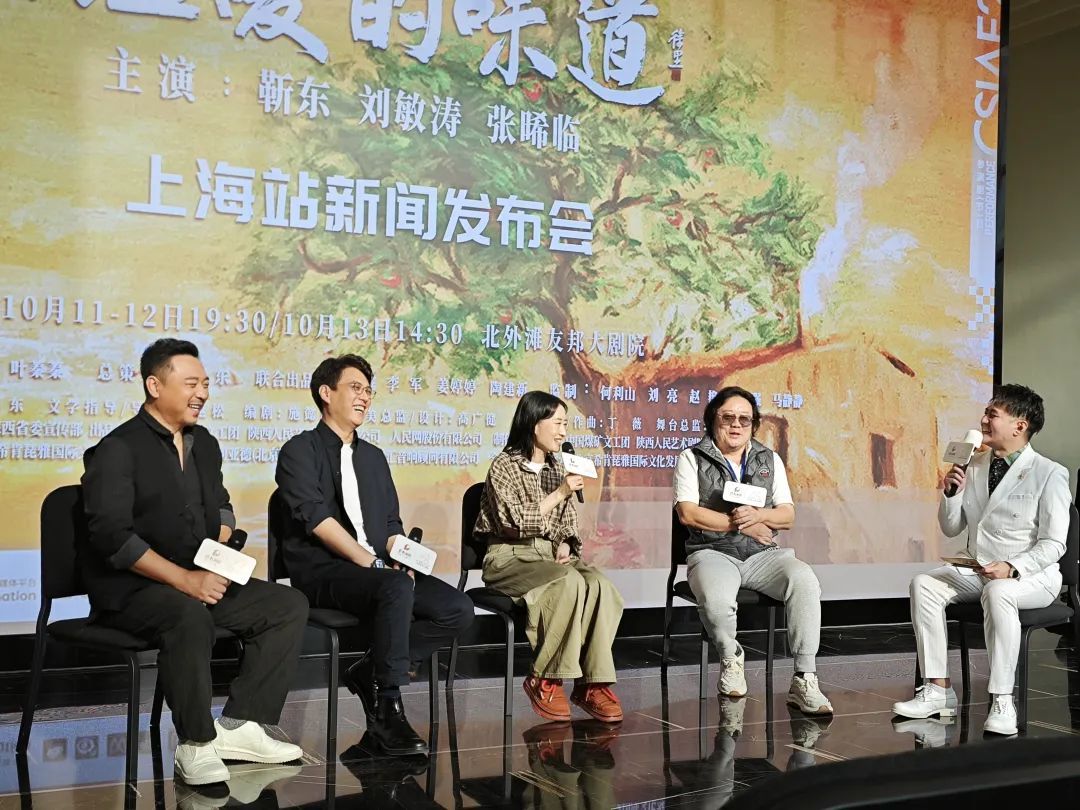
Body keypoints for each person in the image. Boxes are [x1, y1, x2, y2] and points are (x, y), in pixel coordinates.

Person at [81, 339, 309, 787]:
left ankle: (241, 726)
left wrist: (220, 543)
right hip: (132, 591)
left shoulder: (204, 443)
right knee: (187, 615)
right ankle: (196, 744)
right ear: (154, 385)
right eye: (191, 383)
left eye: (205, 383)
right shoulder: (117, 448)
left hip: (196, 577)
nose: (202, 393)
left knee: (286, 605)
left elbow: (221, 506)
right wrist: (186, 580)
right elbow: (112, 538)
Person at [274, 354, 473, 756]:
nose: (364, 397)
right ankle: (387, 707)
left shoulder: (373, 457)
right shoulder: (299, 451)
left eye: (368, 390)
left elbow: (390, 526)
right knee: (394, 587)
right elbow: (318, 522)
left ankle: (369, 670)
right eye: (355, 388)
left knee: (457, 608)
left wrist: (404, 559)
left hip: (381, 574)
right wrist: (376, 565)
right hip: (325, 572)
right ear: (326, 393)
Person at [893, 384, 1071, 736]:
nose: (984, 420)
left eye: (993, 414)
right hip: (978, 568)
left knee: (999, 591)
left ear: (1020, 425)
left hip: (1030, 577)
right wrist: (951, 493)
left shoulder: (1049, 473)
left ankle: (1002, 699)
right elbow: (951, 527)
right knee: (924, 584)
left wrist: (1013, 567)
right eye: (986, 413)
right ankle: (938, 690)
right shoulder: (973, 465)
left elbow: (1054, 544)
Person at [673, 386, 833, 715]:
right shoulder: (691, 457)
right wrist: (739, 525)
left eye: (744, 419)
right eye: (728, 417)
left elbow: (787, 515)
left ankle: (804, 677)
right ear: (712, 420)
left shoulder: (768, 459)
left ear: (754, 424)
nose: (736, 425)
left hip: (762, 554)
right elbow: (688, 513)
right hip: (712, 551)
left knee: (804, 579)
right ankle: (731, 658)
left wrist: (759, 516)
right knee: (716, 599)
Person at [473, 391, 625, 723]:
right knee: (568, 581)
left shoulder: (558, 467)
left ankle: (592, 683)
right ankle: (545, 677)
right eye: (557, 423)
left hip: (549, 556)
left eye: (565, 424)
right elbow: (513, 522)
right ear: (533, 423)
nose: (563, 432)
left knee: (600, 585)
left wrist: (567, 543)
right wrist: (560, 492)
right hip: (509, 556)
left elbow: (567, 521)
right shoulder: (504, 466)